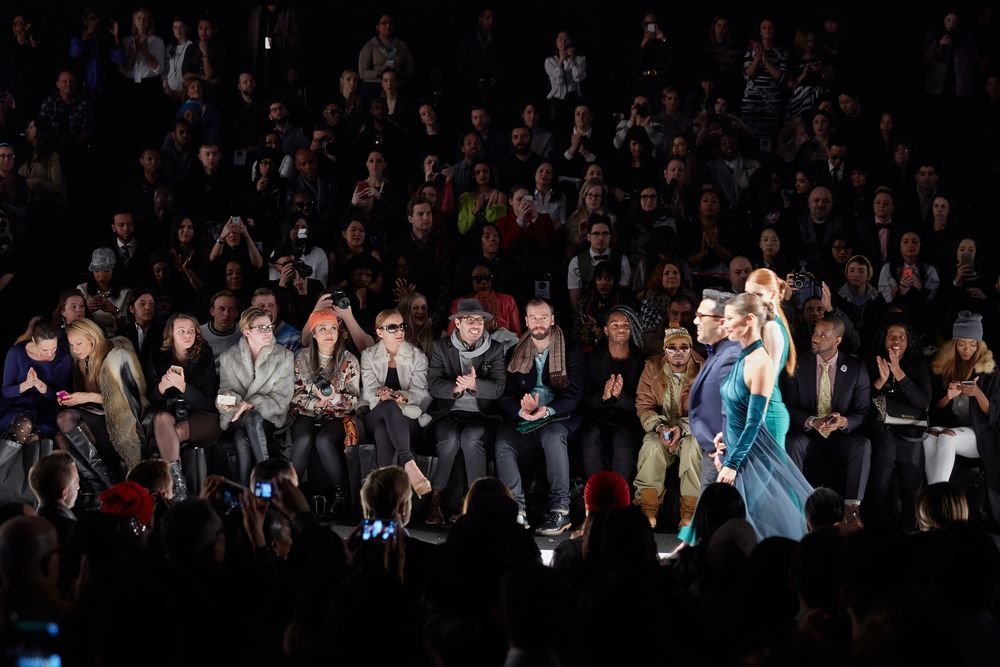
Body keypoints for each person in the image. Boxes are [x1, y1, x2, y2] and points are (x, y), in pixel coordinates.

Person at [715, 293, 813, 539]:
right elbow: (735, 407)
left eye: (729, 318)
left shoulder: (760, 363)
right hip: (737, 449)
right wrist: (724, 434)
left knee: (750, 520)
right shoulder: (743, 356)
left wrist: (733, 464)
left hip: (750, 455)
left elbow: (754, 421)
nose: (724, 324)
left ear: (749, 319)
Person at [496, 298, 584, 535]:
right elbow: (505, 395)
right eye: (533, 317)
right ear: (525, 321)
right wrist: (521, 411)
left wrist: (547, 410)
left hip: (558, 417)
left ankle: (560, 511)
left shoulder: (570, 349)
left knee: (552, 435)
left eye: (543, 317)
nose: (538, 322)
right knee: (504, 441)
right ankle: (516, 510)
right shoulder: (515, 352)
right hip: (526, 418)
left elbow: (574, 394)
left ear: (552, 319)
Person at [425, 299, 507, 524]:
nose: (475, 324)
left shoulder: (496, 348)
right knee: (450, 439)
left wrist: (474, 384)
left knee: (471, 438)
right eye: (469, 319)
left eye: (479, 320)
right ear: (458, 323)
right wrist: (456, 387)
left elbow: (499, 387)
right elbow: (433, 384)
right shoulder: (442, 347)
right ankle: (435, 499)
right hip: (449, 414)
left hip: (482, 416)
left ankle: (474, 505)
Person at [785, 315, 871, 523]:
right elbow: (789, 407)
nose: (816, 338)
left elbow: (863, 411)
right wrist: (812, 421)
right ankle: (797, 506)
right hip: (809, 433)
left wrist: (843, 422)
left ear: (837, 341)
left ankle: (852, 510)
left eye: (823, 335)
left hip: (838, 436)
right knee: (794, 443)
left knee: (862, 445)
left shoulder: (855, 368)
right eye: (815, 333)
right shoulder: (798, 364)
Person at [923, 313, 1000, 526]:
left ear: (980, 345)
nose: (967, 350)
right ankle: (932, 505)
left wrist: (977, 393)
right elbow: (934, 412)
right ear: (954, 345)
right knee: (929, 434)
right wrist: (948, 396)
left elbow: (994, 414)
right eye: (962, 345)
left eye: (972, 345)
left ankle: (937, 506)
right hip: (956, 429)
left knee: (947, 437)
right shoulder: (944, 368)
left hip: (982, 434)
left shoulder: (991, 371)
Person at [55, 318, 147, 492]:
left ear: (92, 338)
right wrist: (72, 399)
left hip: (120, 414)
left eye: (79, 343)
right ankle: (105, 484)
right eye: (72, 345)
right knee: (62, 425)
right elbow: (84, 398)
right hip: (95, 412)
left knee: (65, 428)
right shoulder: (82, 360)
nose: (75, 349)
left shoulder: (117, 355)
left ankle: (106, 486)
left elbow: (130, 397)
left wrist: (86, 397)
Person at [289, 310, 360, 518]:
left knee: (324, 440)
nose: (328, 333)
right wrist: (315, 403)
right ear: (313, 333)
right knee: (302, 438)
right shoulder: (301, 358)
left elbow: (354, 400)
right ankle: (289, 493)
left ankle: (341, 495)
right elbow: (293, 393)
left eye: (333, 328)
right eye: (322, 328)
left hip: (337, 414)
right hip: (306, 412)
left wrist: (334, 399)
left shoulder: (349, 361)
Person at [866, 316, 931, 531]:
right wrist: (882, 379)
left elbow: (923, 401)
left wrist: (898, 372)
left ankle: (909, 523)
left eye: (902, 337)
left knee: (911, 461)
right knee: (884, 454)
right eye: (892, 336)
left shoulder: (918, 364)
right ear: (884, 340)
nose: (897, 341)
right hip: (880, 423)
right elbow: (864, 399)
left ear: (908, 340)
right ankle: (879, 524)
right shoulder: (872, 360)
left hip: (909, 424)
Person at [147, 313, 221, 501]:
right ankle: (178, 486)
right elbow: (151, 399)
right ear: (171, 334)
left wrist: (183, 387)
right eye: (181, 331)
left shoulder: (205, 355)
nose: (187, 335)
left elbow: (207, 401)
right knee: (161, 419)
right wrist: (161, 387)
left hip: (202, 415)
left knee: (167, 438)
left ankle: (173, 487)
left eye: (191, 331)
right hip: (171, 411)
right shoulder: (158, 356)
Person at [634, 327, 702, 528]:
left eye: (684, 347)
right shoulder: (652, 368)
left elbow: (707, 410)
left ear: (691, 349)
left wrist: (682, 428)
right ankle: (648, 509)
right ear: (665, 350)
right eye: (672, 348)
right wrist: (658, 427)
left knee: (693, 447)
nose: (678, 352)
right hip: (661, 430)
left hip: (691, 430)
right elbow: (644, 405)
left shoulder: (703, 370)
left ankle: (690, 512)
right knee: (651, 446)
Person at [218, 307, 294, 484]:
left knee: (241, 438)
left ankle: (244, 494)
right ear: (246, 332)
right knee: (249, 418)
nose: (268, 332)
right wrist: (233, 401)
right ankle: (267, 477)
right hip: (236, 416)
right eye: (261, 328)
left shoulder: (283, 356)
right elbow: (223, 392)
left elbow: (282, 399)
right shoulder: (229, 358)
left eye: (269, 327)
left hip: (269, 417)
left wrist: (251, 403)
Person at [360, 309, 432, 496]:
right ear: (379, 332)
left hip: (407, 418)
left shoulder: (417, 357)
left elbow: (421, 393)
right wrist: (380, 395)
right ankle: (409, 463)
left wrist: (405, 397)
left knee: (384, 429)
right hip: (376, 413)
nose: (400, 331)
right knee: (388, 407)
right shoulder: (368, 355)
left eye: (402, 326)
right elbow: (368, 390)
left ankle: (384, 496)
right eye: (392, 327)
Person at [579, 306, 644, 481]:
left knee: (623, 440)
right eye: (615, 325)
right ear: (606, 330)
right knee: (590, 437)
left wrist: (621, 398)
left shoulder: (642, 362)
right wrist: (603, 397)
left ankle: (618, 498)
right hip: (597, 418)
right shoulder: (591, 359)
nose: (621, 328)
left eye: (625, 325)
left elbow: (644, 404)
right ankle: (596, 495)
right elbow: (582, 401)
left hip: (628, 420)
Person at [744, 268, 796, 447]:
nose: (751, 299)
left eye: (758, 294)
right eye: (748, 294)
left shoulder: (771, 327)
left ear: (773, 294)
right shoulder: (767, 324)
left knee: (770, 475)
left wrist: (754, 423)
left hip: (767, 414)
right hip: (763, 412)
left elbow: (767, 380)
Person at [1, 318, 71, 448]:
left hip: (46, 409)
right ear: (34, 340)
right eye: (45, 350)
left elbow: (61, 398)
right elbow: (5, 392)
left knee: (35, 437)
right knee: (25, 424)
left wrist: (41, 386)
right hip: (18, 406)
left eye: (54, 348)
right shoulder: (16, 352)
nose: (50, 353)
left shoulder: (63, 358)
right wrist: (26, 385)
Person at [28, 451, 79, 545]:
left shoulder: (29, 530)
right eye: (76, 483)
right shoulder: (74, 533)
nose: (78, 487)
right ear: (64, 493)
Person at [544, 31, 586, 123]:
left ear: (570, 41)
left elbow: (578, 77)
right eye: (560, 38)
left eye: (566, 39)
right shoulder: (550, 61)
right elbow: (558, 79)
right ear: (556, 42)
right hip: (557, 101)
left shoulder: (580, 59)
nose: (563, 41)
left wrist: (572, 61)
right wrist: (560, 61)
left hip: (573, 99)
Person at [200, 290, 241, 371]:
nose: (226, 314)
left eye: (231, 310)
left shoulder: (245, 333)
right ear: (212, 311)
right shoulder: (199, 333)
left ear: (236, 313)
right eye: (221, 309)